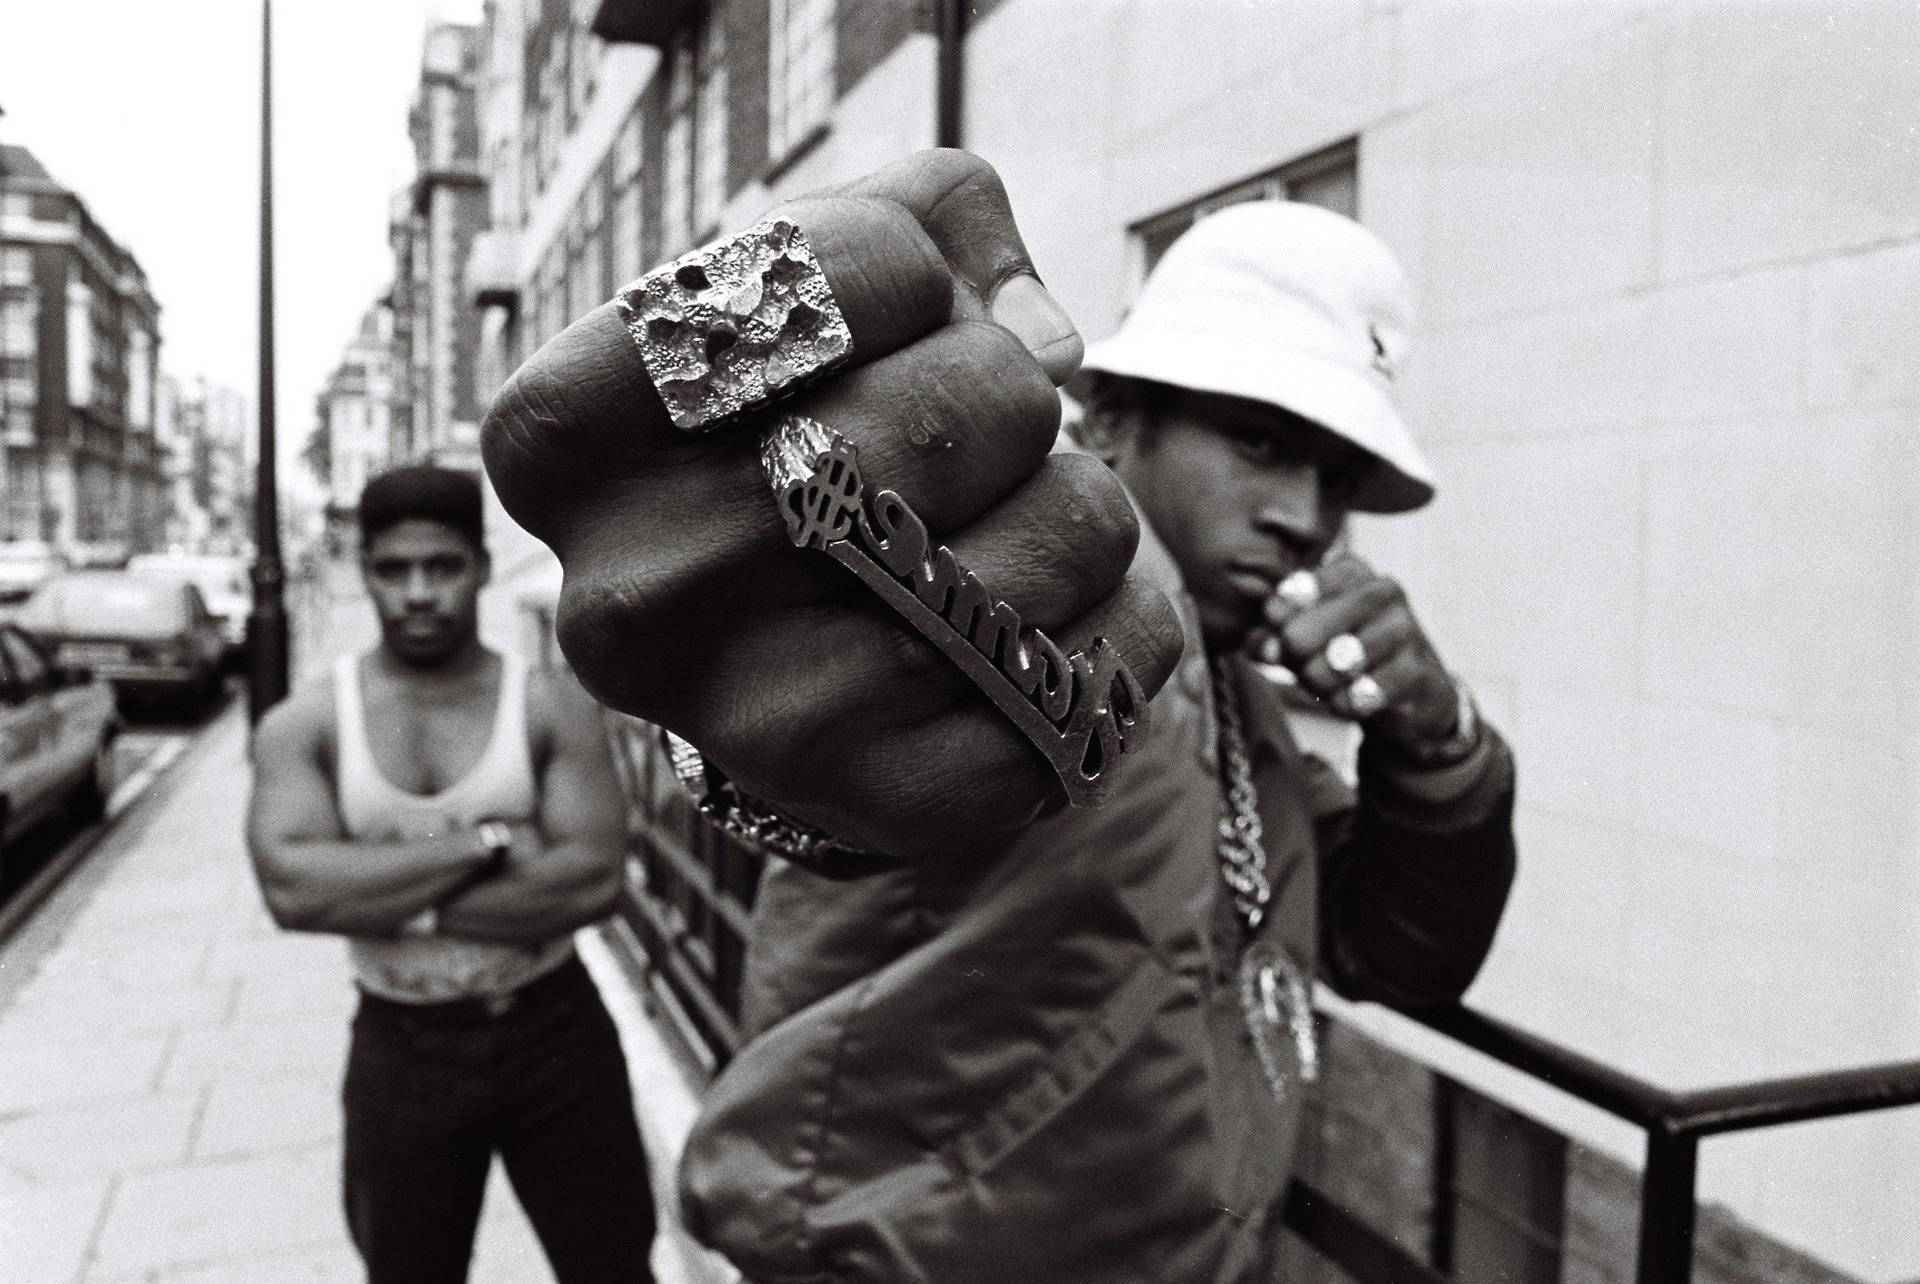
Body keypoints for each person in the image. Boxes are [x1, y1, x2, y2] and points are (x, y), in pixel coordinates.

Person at [479, 151, 1514, 1282]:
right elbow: (844, 766)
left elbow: (1396, 954)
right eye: (1261, 445)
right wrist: (739, 726)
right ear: (1115, 419)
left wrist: (1438, 741)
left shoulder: (1243, 708)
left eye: (1340, 477)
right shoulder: (1049, 632)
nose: (1304, 517)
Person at [245, 465, 655, 1284]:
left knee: (612, 1268)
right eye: (394, 571)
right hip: (403, 1044)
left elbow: (592, 882)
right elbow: (294, 890)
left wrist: (379, 892)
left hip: (554, 1031)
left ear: (479, 564)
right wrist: (488, 842)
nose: (420, 593)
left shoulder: (546, 705)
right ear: (365, 573)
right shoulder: (312, 722)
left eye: (443, 567)